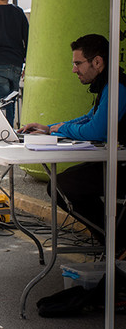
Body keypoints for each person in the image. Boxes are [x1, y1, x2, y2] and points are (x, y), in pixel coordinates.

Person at [21, 34, 126, 246]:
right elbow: (90, 117)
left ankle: (116, 241)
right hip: (116, 162)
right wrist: (50, 129)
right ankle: (114, 240)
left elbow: (95, 130)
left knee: (61, 186)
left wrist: (61, 129)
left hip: (122, 166)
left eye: (78, 63)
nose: (74, 69)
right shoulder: (109, 84)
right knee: (61, 185)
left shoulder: (118, 87)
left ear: (97, 62)